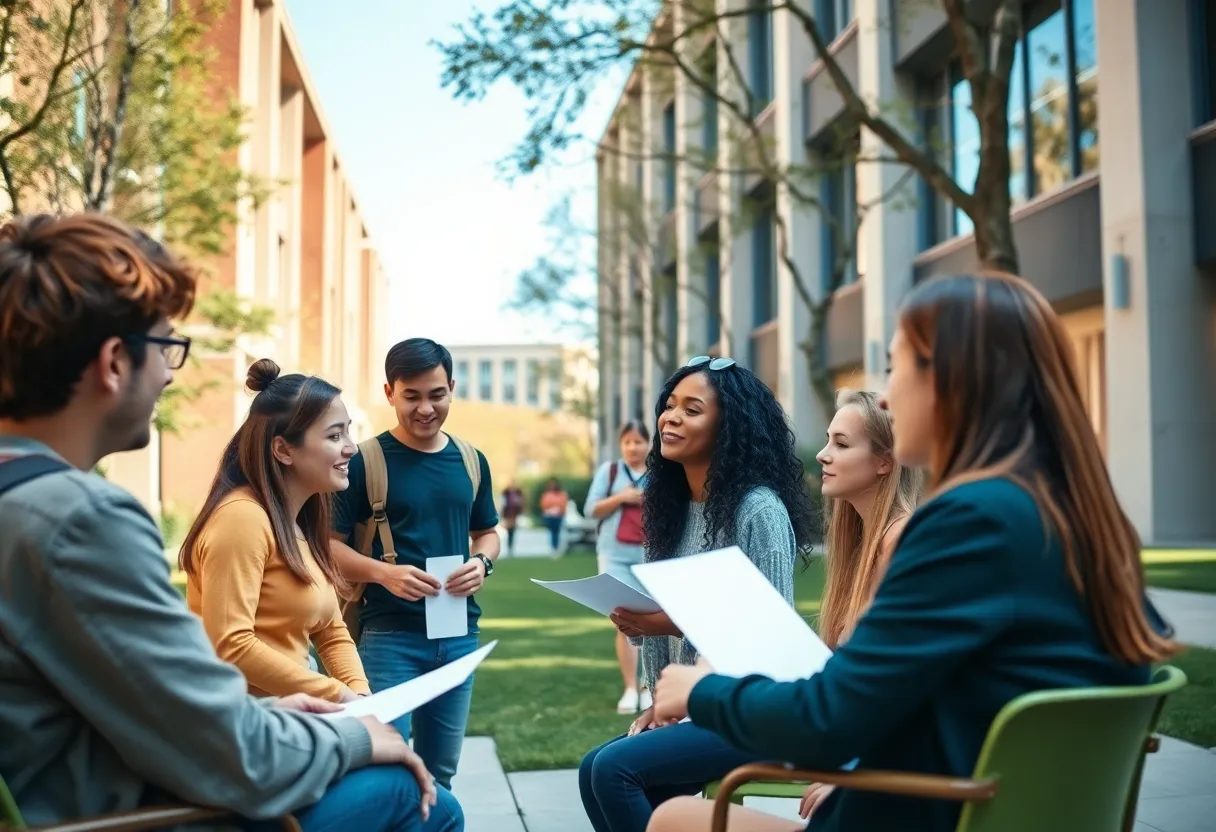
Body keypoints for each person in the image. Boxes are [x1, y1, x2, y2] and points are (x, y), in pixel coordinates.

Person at [648, 273, 1177, 832]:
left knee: (673, 820)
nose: (882, 394)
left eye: (897, 366)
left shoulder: (972, 522)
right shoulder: (1082, 520)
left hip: (924, 814)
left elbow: (828, 719)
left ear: (952, 382)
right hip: (988, 806)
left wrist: (704, 691)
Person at [0, 213, 462, 831]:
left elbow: (171, 708)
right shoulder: (80, 520)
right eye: (167, 348)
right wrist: (362, 737)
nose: (170, 373)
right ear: (115, 362)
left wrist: (292, 713)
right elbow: (231, 752)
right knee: (421, 797)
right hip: (151, 812)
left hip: (126, 781)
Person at [578, 355, 817, 832]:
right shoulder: (671, 511)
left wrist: (664, 620)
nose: (671, 417)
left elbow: (769, 632)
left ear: (729, 426)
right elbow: (664, 636)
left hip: (755, 708)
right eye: (669, 406)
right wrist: (658, 702)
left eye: (692, 409)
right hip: (696, 705)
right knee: (594, 769)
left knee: (614, 770)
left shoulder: (758, 510)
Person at [330, 337, 499, 791]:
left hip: (459, 636)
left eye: (436, 394)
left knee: (441, 773)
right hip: (390, 639)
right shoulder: (364, 460)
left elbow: (488, 531)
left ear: (451, 389)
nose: (426, 408)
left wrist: (483, 561)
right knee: (389, 770)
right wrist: (384, 572)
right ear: (390, 393)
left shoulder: (469, 459)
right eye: (412, 396)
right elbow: (328, 546)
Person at [179, 358, 370, 703]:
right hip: (244, 723)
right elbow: (231, 644)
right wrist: (335, 694)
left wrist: (359, 693)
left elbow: (330, 630)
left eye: (347, 431)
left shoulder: (297, 521)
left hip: (291, 715)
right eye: (334, 435)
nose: (351, 447)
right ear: (283, 449)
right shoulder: (241, 519)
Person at [798, 389, 922, 819]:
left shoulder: (900, 540)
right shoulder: (857, 544)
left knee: (627, 778)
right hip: (836, 736)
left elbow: (905, 688)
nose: (823, 455)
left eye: (842, 444)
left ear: (885, 462)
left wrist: (853, 774)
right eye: (828, 440)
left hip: (871, 758)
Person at [584, 419, 652, 714]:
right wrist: (622, 497)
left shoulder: (660, 474)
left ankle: (648, 687)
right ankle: (629, 688)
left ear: (649, 444)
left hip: (651, 558)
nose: (633, 447)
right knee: (624, 622)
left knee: (652, 623)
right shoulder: (610, 472)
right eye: (627, 442)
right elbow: (591, 509)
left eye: (639, 441)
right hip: (615, 556)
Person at [539, 477, 568, 553]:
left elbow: (563, 504)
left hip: (558, 515)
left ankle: (556, 547)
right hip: (550, 516)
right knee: (552, 532)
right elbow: (544, 505)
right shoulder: (547, 495)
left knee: (557, 532)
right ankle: (553, 547)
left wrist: (560, 511)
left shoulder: (561, 495)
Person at [501, 482, 525, 556]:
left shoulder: (518, 494)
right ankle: (509, 547)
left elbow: (521, 503)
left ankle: (511, 547)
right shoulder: (506, 494)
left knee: (513, 532)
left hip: (515, 515)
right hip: (508, 515)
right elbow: (503, 504)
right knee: (509, 532)